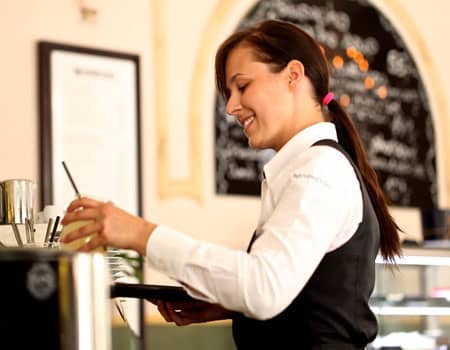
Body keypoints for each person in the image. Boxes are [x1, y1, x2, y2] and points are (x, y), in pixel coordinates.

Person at [61, 19, 402, 349]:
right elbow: (301, 295)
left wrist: (138, 233)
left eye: (242, 86)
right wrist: (234, 308)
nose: (231, 107)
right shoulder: (309, 167)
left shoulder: (319, 169)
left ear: (293, 76)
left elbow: (263, 287)